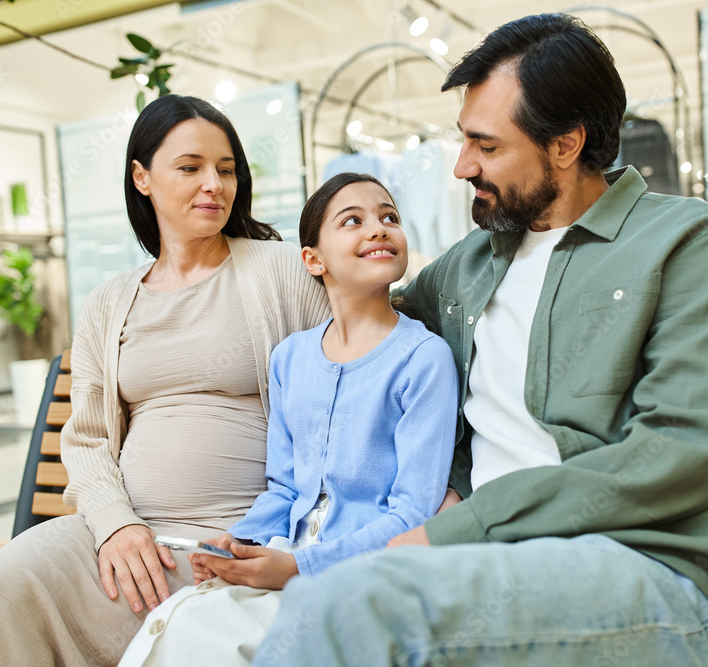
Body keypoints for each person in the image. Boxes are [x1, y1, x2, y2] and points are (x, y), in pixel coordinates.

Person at [253, 14, 708, 666]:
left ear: (565, 144)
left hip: (652, 568)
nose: (462, 166)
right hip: (483, 569)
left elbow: (674, 457)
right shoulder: (464, 269)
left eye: (487, 146)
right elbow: (360, 328)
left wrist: (460, 526)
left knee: (345, 604)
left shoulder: (691, 245)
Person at [0, 95, 332, 667]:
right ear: (142, 177)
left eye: (226, 169)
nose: (214, 184)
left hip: (235, 544)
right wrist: (116, 525)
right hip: (123, 536)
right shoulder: (109, 301)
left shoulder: (284, 272)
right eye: (191, 167)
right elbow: (88, 438)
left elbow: (365, 349)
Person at [118, 172, 459, 666]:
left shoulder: (424, 359)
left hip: (366, 577)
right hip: (288, 561)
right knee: (184, 627)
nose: (379, 228)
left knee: (205, 639)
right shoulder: (290, 359)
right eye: (353, 220)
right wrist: (239, 542)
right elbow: (283, 488)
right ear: (313, 260)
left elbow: (413, 513)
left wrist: (297, 566)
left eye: (389, 217)